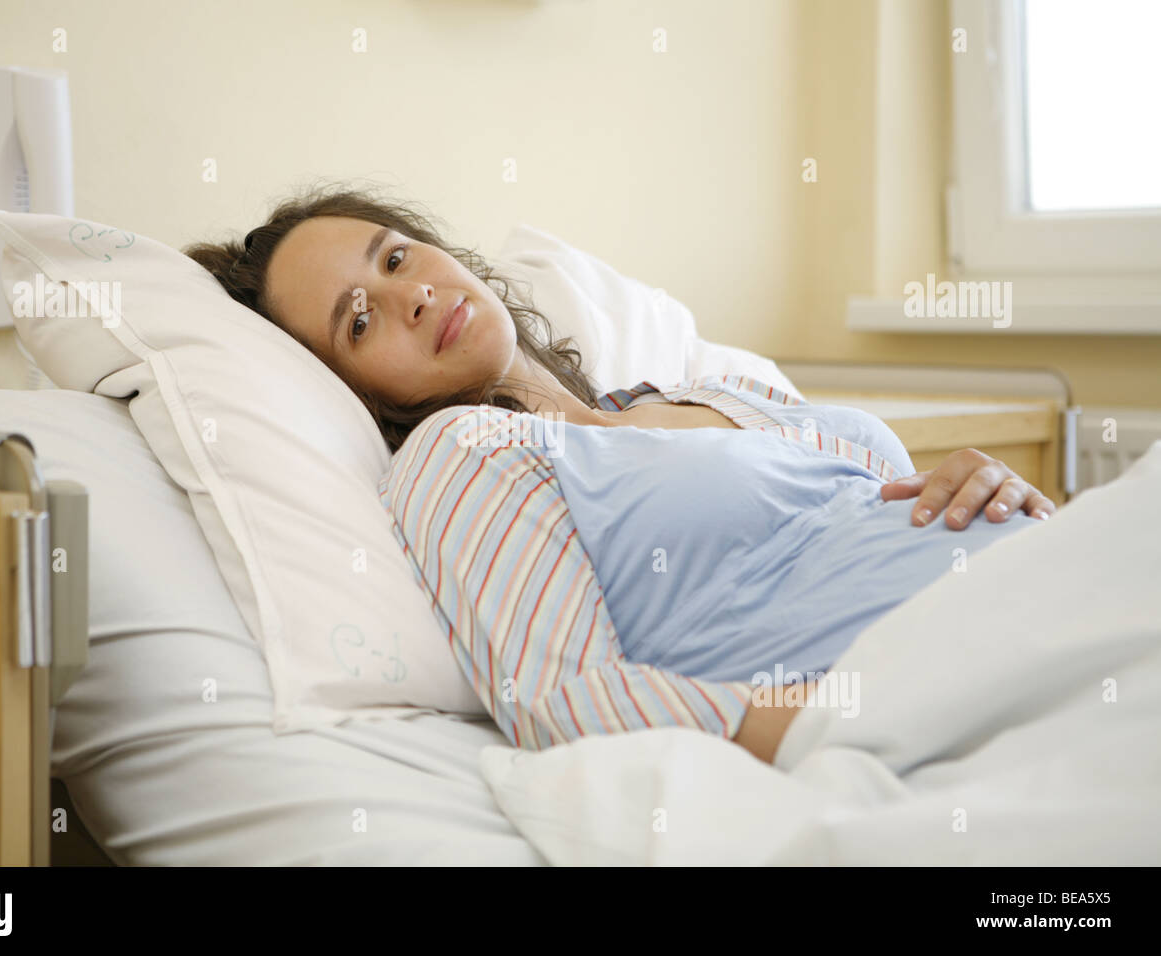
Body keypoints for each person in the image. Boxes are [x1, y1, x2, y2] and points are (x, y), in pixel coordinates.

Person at [185, 183, 1058, 765]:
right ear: (352, 391)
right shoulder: (465, 457)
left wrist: (997, 494)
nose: (407, 294)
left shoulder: (713, 389)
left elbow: (872, 513)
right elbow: (567, 701)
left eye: (396, 255)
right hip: (979, 693)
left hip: (1039, 593)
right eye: (359, 322)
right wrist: (888, 708)